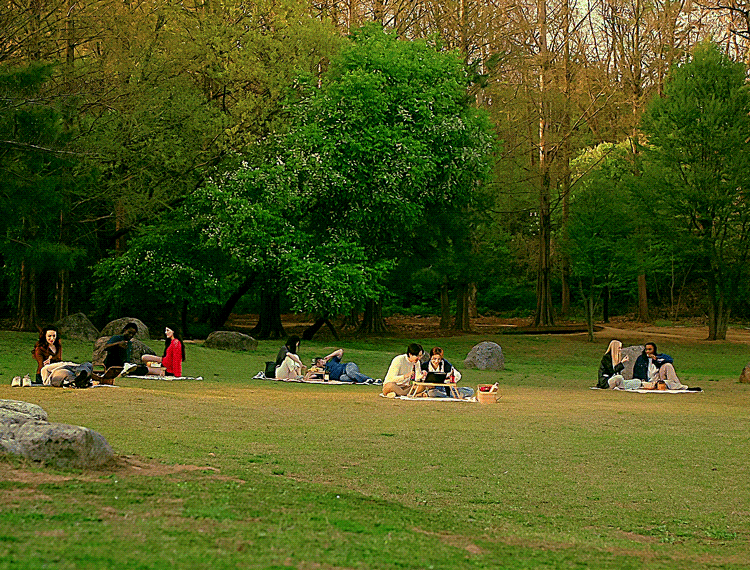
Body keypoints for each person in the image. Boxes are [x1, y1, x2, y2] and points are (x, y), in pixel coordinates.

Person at [311, 348, 378, 384]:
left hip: (347, 367)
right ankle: (364, 381)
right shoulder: (321, 372)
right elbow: (310, 376)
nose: (321, 361)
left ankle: (372, 380)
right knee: (343, 379)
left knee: (350, 373)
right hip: (341, 376)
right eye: (318, 362)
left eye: (320, 359)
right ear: (317, 365)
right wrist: (313, 370)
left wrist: (330, 356)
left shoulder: (332, 361)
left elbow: (340, 351)